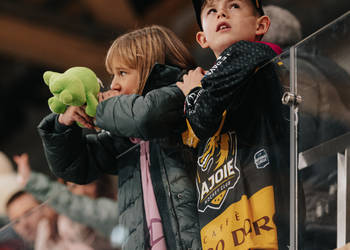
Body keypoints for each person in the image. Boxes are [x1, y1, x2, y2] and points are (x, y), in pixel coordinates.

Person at [37, 25, 201, 250]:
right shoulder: (126, 136)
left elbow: (145, 117)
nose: (113, 84)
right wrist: (64, 124)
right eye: (113, 74)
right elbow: (74, 167)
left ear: (150, 70)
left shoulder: (181, 92)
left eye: (122, 73)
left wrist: (105, 107)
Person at [175, 0, 301, 249]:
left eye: (233, 5)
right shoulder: (217, 80)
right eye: (211, 10)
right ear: (202, 38)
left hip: (265, 224)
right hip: (225, 232)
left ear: (261, 25)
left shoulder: (250, 52)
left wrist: (193, 92)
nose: (221, 11)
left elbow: (201, 118)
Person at [14, 152, 119, 241]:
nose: (82, 191)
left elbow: (78, 205)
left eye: (88, 183)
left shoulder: (116, 208)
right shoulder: (61, 228)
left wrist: (33, 182)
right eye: (74, 187)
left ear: (100, 182)